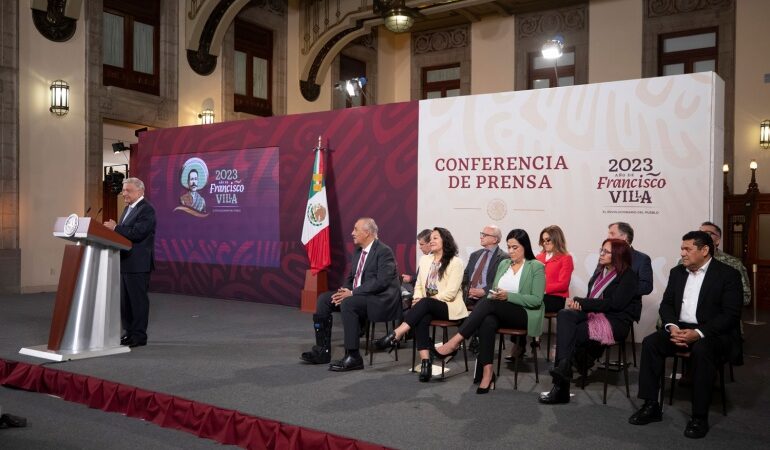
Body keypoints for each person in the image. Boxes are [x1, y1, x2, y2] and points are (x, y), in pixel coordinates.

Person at [629, 231, 742, 439]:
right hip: (679, 329)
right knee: (651, 343)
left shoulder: (728, 275)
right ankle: (651, 405)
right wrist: (672, 326)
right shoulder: (677, 272)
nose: (682, 253)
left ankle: (699, 417)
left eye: (687, 249)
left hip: (712, 334)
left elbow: (731, 315)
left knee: (702, 350)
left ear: (705, 250)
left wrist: (698, 333)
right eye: (682, 248)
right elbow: (667, 304)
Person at [433, 229, 545, 394]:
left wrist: (508, 296)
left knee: (488, 304)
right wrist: (498, 294)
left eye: (515, 247)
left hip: (524, 314)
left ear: (525, 247)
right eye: (509, 247)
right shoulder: (504, 264)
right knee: (487, 320)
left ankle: (454, 342)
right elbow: (493, 290)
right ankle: (487, 374)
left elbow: (536, 300)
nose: (511, 251)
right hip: (500, 310)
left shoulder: (536, 266)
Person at [539, 238, 638, 404]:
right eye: (602, 250)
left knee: (571, 334)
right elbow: (593, 298)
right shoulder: (600, 271)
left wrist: (582, 302)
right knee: (565, 314)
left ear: (618, 255)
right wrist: (580, 304)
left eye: (606, 251)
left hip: (614, 321)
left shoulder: (628, 276)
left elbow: (614, 304)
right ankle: (564, 367)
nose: (601, 254)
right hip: (593, 313)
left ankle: (560, 387)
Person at [300, 217, 400, 372]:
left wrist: (351, 293)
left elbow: (382, 282)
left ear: (367, 233)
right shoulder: (358, 251)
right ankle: (322, 350)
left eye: (356, 229)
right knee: (324, 299)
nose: (352, 233)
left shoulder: (384, 251)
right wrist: (343, 291)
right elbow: (351, 277)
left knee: (348, 303)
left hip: (379, 299)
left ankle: (353, 357)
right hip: (359, 295)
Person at [373, 227, 468, 382]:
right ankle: (425, 363)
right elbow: (418, 285)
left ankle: (396, 334)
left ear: (445, 241)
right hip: (426, 305)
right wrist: (418, 299)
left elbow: (450, 293)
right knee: (421, 317)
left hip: (448, 306)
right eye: (430, 238)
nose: (431, 241)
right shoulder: (425, 260)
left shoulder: (456, 262)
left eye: (435, 238)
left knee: (423, 306)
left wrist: (425, 301)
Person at [104, 177, 156, 348]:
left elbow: (138, 233)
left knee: (138, 302)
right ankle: (129, 333)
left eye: (128, 190)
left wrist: (116, 228)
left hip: (138, 264)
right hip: (125, 262)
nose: (124, 193)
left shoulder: (146, 209)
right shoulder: (128, 208)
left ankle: (139, 336)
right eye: (123, 190)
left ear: (140, 191)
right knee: (126, 303)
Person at [698, 222, 751, 307]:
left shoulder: (733, 263)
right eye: (699, 233)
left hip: (720, 315)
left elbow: (745, 297)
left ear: (718, 240)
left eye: (708, 233)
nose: (701, 236)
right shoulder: (685, 261)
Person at [462, 225, 509, 307]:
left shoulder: (504, 257)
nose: (481, 237)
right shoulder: (474, 255)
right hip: (468, 295)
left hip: (487, 296)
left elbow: (501, 281)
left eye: (485, 235)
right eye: (481, 234)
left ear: (495, 239)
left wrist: (484, 291)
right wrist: (466, 290)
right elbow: (465, 275)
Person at [536, 225, 574, 313]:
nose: (545, 243)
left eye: (548, 240)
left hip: (555, 299)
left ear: (556, 239)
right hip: (538, 295)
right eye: (543, 240)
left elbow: (563, 284)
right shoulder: (538, 257)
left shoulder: (566, 258)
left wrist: (542, 289)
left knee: (526, 303)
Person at [400, 229, 433, 309]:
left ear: (430, 243)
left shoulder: (435, 260)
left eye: (422, 244)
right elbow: (420, 280)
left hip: (428, 298)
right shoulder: (424, 259)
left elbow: (429, 284)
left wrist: (411, 278)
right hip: (419, 295)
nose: (420, 247)